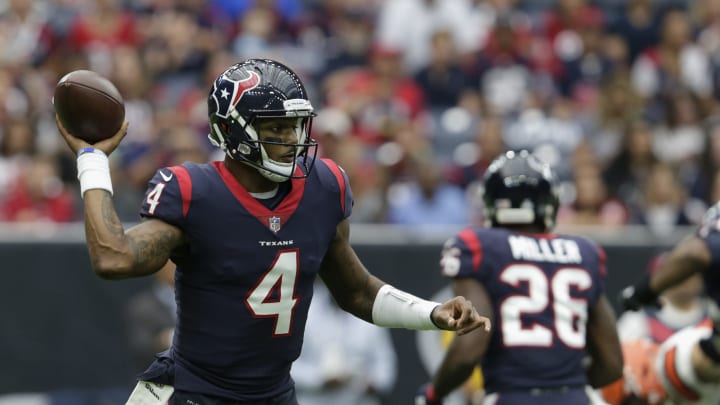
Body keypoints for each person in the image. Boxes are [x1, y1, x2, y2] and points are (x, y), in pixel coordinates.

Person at [54, 58, 491, 405]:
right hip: (198, 393)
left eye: (296, 125)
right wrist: (92, 159)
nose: (292, 138)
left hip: (275, 394)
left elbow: (356, 291)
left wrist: (430, 314)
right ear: (232, 131)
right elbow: (115, 258)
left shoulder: (324, 186)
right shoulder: (195, 191)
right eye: (276, 127)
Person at [416, 150, 623, 405]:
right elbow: (612, 364)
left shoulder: (479, 246)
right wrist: (566, 388)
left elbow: (470, 348)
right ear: (549, 203)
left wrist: (434, 393)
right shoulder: (584, 252)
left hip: (510, 396)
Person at [621, 201, 720, 403]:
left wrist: (643, 291)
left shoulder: (702, 250)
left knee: (671, 362)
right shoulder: (639, 322)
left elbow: (697, 252)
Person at [290, 280, 397, 405]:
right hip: (314, 400)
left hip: (358, 401)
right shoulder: (302, 309)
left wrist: (371, 383)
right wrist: (321, 379)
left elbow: (385, 365)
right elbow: (289, 368)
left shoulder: (370, 312)